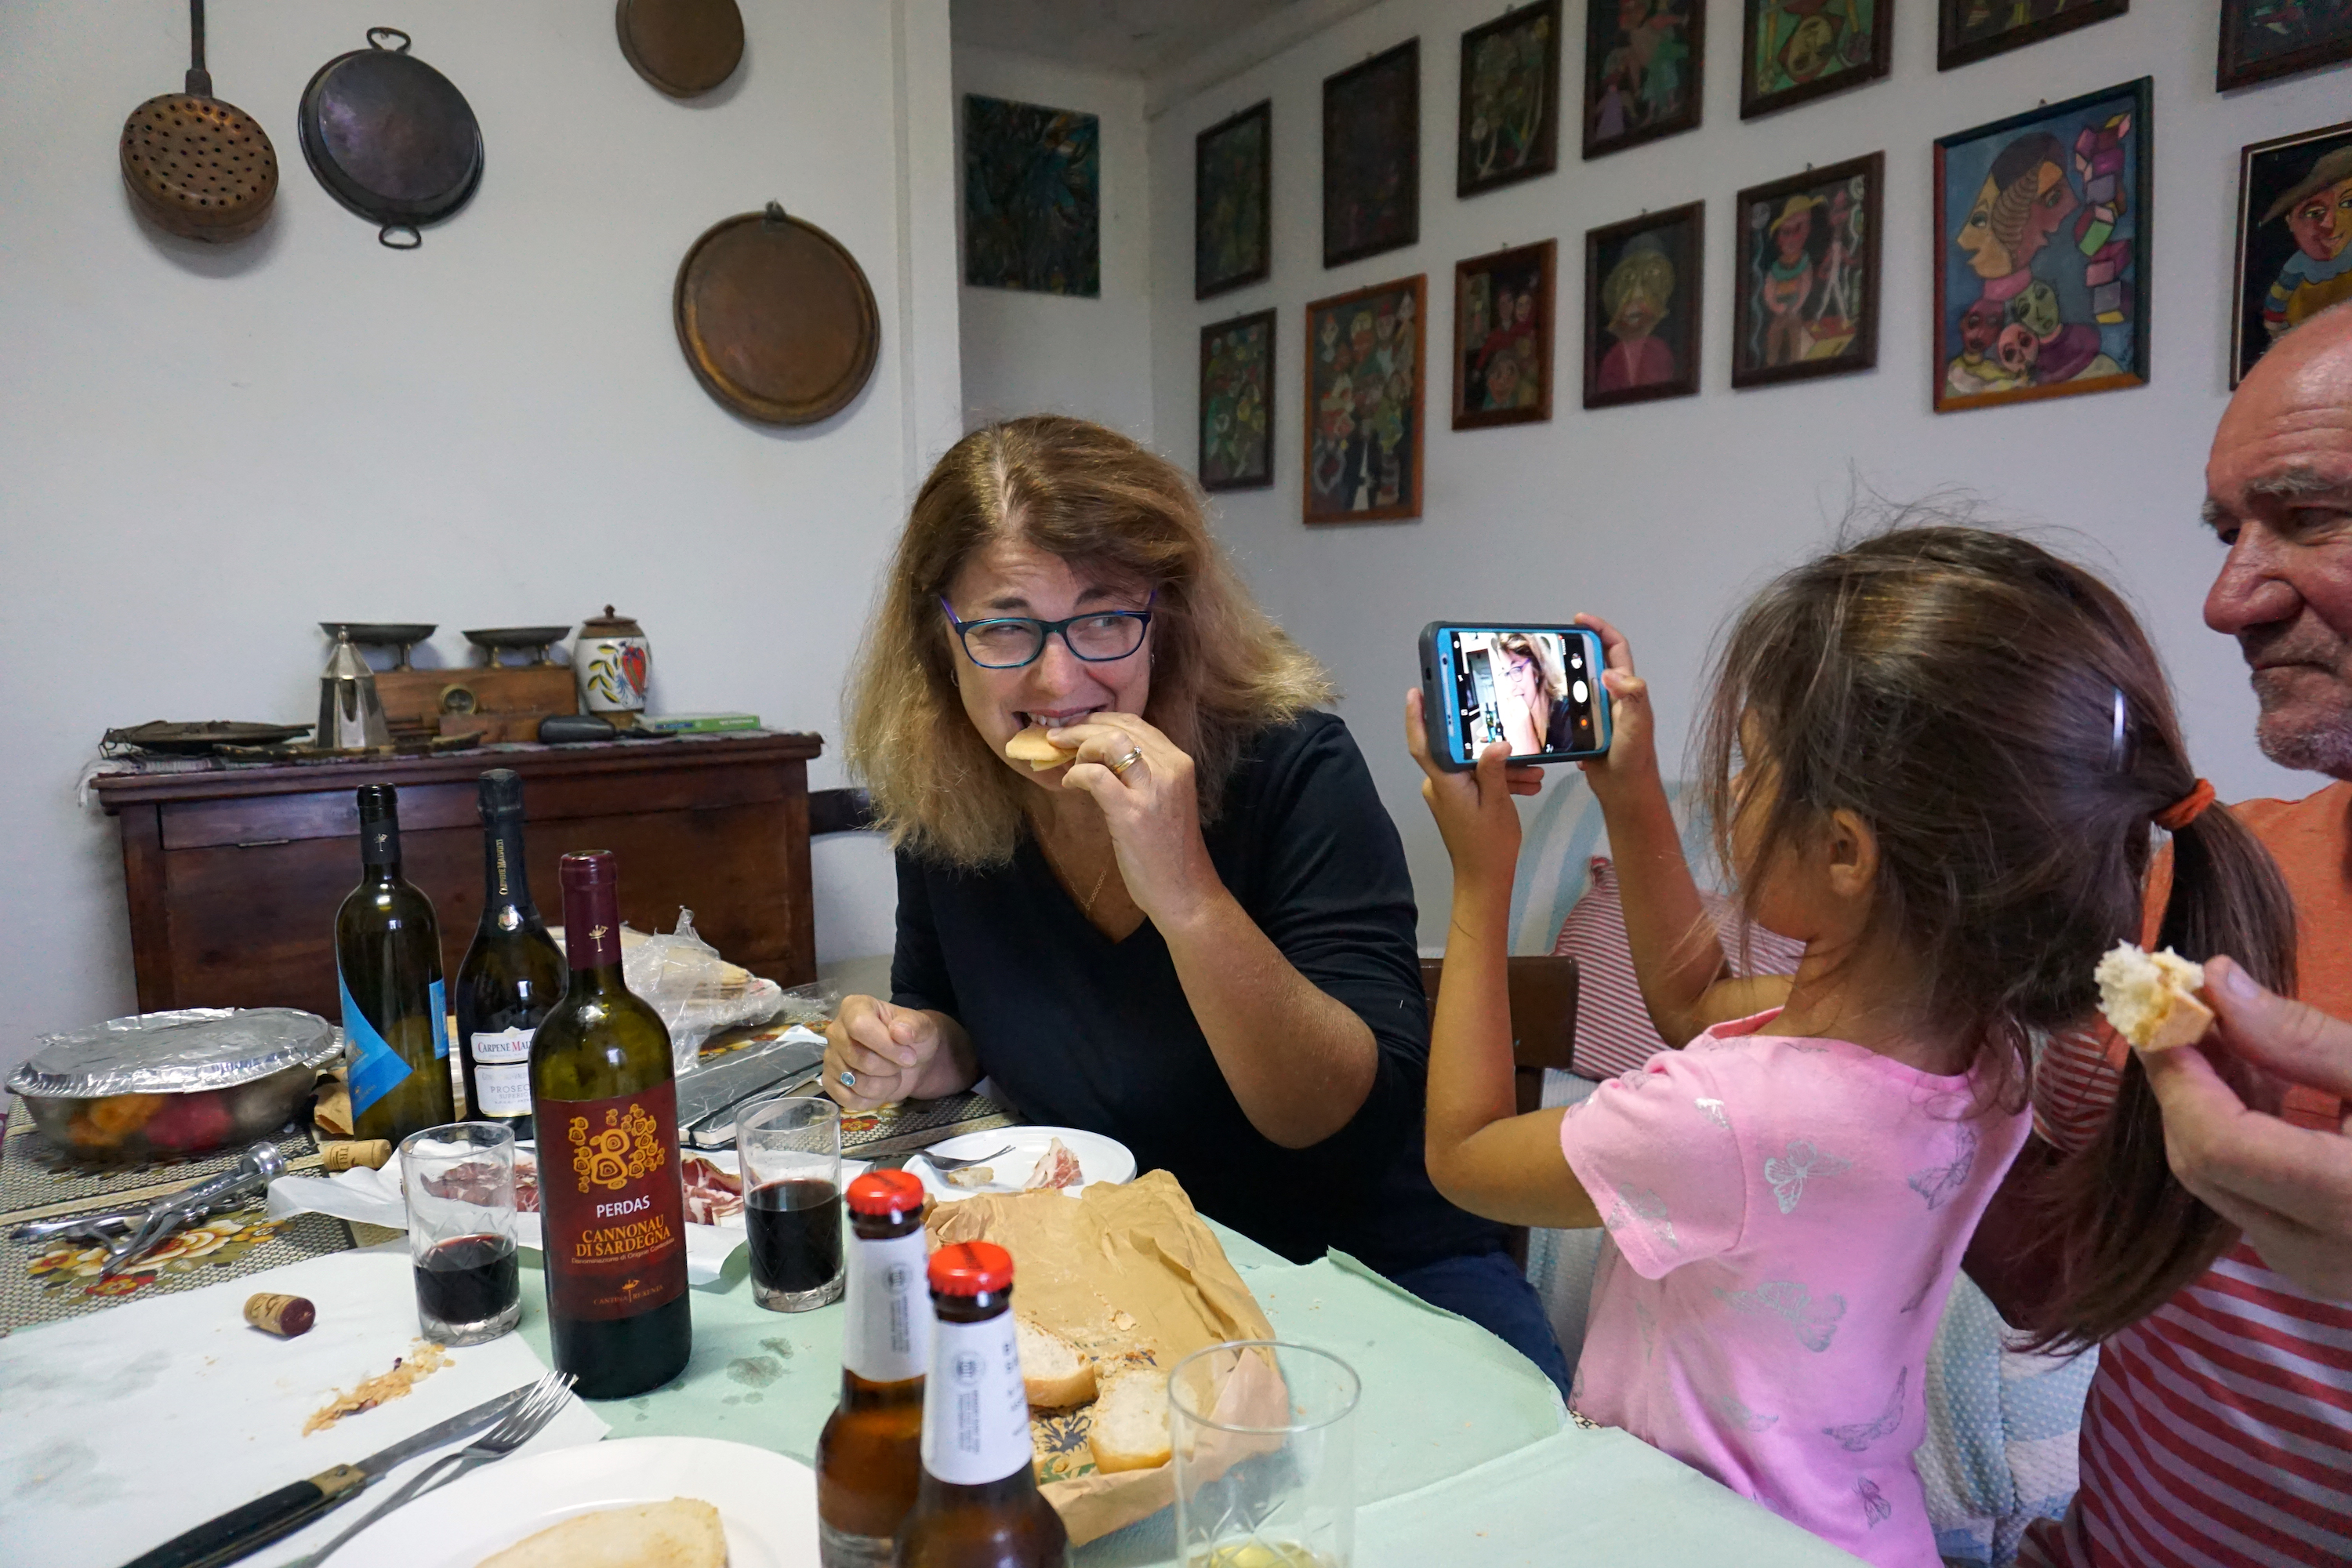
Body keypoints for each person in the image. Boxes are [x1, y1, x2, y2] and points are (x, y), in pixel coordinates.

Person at [1405, 525, 2291, 1568]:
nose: (1729, 788)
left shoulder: (1724, 1116)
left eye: (1749, 763)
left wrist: (1480, 877)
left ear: (1843, 851)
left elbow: (1463, 1156)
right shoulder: (1987, 1045)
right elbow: (1697, 1000)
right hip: (1858, 1536)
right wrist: (1629, 786)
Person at [822, 416, 1570, 1390]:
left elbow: (1336, 1121)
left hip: (1365, 1268)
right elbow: (958, 1017)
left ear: (1165, 616)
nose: (1060, 679)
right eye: (1007, 626)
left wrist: (1187, 894)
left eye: (1102, 618)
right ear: (941, 636)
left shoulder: (1294, 763)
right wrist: (922, 1045)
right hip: (1120, 1269)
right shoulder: (948, 786)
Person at [1991, 301, 2352, 1567]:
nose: (2225, 600)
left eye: (2312, 516)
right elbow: (2055, 1279)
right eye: (2227, 530)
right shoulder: (2209, 881)